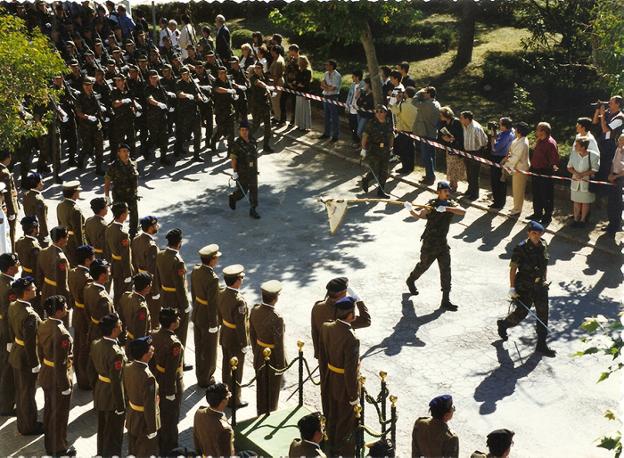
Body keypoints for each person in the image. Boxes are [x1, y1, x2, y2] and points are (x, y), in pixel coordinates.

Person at [497, 221, 556, 357]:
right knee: (521, 313)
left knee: (543, 314)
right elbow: (513, 268)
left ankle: (541, 345)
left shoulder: (544, 244)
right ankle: (504, 324)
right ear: (528, 233)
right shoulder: (520, 248)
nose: (536, 236)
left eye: (539, 233)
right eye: (533, 233)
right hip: (525, 285)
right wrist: (512, 287)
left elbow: (544, 263)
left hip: (540, 286)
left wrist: (544, 279)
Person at [405, 181, 467, 311]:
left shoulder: (451, 204)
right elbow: (420, 216)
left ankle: (446, 300)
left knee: (446, 271)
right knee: (423, 266)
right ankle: (411, 280)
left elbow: (463, 211)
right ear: (438, 192)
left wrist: (447, 208)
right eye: (445, 191)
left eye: (448, 191)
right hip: (429, 243)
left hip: (442, 244)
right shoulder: (431, 205)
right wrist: (410, 210)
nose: (447, 193)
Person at [318, 296, 361, 457]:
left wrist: (324, 378)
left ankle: (331, 445)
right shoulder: (352, 338)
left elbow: (323, 356)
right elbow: (350, 371)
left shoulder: (326, 327)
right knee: (345, 420)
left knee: (332, 414)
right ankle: (342, 451)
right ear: (349, 315)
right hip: (344, 384)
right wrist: (353, 395)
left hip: (330, 378)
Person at [37, 295, 74, 457]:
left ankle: (49, 444)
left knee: (49, 412)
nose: (67, 308)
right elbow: (61, 362)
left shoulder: (44, 324)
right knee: (59, 414)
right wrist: (65, 385)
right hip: (58, 378)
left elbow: (39, 350)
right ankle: (59, 447)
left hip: (46, 372)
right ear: (58, 311)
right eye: (65, 306)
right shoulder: (62, 333)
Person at [8, 276, 43, 436]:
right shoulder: (29, 315)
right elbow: (30, 343)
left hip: (16, 352)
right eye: (32, 287)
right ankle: (29, 426)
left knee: (21, 391)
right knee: (27, 393)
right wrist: (35, 363)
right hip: (25, 358)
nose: (35, 288)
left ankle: (23, 423)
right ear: (26, 292)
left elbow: (10, 326)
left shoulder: (13, 305)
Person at [88, 313, 127, 457]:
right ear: (114, 329)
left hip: (101, 390)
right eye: (119, 324)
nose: (122, 325)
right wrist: (120, 405)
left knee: (103, 429)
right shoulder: (115, 352)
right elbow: (116, 382)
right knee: (114, 433)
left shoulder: (96, 343)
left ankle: (101, 453)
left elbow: (90, 370)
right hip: (112, 396)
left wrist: (96, 387)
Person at [155, 228, 191, 368]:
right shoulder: (178, 261)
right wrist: (185, 305)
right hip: (177, 300)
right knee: (180, 332)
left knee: (167, 329)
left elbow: (157, 276)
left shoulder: (161, 254)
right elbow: (180, 286)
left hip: (165, 296)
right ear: (179, 243)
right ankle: (179, 362)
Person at [249, 280, 286, 416]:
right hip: (273, 358)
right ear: (275, 298)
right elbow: (279, 344)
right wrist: (281, 366)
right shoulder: (277, 317)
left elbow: (251, 333)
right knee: (272, 390)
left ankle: (260, 412)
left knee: (261, 387)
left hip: (259, 353)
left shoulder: (255, 310)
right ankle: (270, 414)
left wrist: (256, 351)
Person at [311, 276, 371, 359]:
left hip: (323, 355)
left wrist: (318, 353)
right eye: (345, 292)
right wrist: (359, 300)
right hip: (340, 359)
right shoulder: (342, 312)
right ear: (341, 293)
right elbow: (366, 321)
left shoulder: (317, 306)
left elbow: (314, 331)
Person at [150, 307, 184, 454]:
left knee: (161, 413)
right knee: (171, 417)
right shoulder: (174, 344)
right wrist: (171, 391)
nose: (179, 320)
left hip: (158, 377)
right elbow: (171, 370)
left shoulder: (155, 334)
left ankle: (161, 442)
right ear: (171, 323)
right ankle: (170, 447)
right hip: (170, 384)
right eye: (177, 318)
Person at [217, 264, 250, 408]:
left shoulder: (222, 293)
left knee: (226, 367)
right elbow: (241, 325)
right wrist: (244, 344)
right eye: (241, 279)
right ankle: (235, 399)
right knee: (237, 370)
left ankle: (225, 394)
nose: (242, 281)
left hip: (225, 334)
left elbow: (219, 313)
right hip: (236, 339)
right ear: (236, 281)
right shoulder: (239, 300)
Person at [191, 244, 222, 387]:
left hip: (197, 312)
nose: (217, 260)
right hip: (207, 318)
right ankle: (206, 378)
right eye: (216, 258)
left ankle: (199, 375)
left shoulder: (196, 270)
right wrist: (213, 324)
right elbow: (213, 304)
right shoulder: (213, 279)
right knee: (209, 350)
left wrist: (195, 308)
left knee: (199, 347)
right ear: (211, 260)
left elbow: (193, 293)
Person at [123, 336, 160, 458]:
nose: (153, 348)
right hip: (144, 422)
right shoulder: (148, 377)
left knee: (133, 450)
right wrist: (152, 429)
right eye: (150, 348)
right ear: (145, 355)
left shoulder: (128, 367)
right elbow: (149, 406)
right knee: (145, 452)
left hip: (132, 416)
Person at [68, 245, 94, 390]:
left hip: (77, 312)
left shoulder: (72, 272)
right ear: (87, 260)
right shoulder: (87, 278)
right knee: (85, 348)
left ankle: (80, 375)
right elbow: (88, 301)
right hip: (84, 315)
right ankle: (84, 380)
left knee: (78, 346)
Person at [131, 215, 162, 330]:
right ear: (149, 228)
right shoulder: (151, 245)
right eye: (154, 225)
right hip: (149, 284)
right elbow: (152, 270)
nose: (156, 227)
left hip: (140, 280)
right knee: (153, 315)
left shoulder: (136, 239)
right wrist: (155, 290)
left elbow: (133, 261)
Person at [527, 122, 559, 227]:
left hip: (545, 172)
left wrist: (547, 169)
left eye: (538, 129)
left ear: (543, 131)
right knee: (536, 194)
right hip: (536, 171)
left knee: (546, 195)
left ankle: (547, 216)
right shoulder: (539, 141)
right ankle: (537, 213)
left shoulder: (550, 143)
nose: (536, 131)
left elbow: (554, 159)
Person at [105, 143, 140, 239]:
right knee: (119, 215)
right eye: (124, 151)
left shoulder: (133, 163)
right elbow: (107, 181)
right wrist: (107, 196)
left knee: (134, 214)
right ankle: (117, 232)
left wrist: (136, 191)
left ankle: (133, 233)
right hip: (119, 194)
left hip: (131, 194)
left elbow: (135, 178)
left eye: (127, 151)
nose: (126, 153)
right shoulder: (113, 166)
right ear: (118, 153)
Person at [360, 105, 394, 198]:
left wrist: (391, 147)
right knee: (375, 170)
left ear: (385, 113)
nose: (379, 113)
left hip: (385, 149)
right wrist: (363, 148)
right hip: (373, 149)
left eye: (381, 111)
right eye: (377, 111)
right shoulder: (371, 123)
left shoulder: (389, 122)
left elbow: (391, 135)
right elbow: (365, 136)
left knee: (384, 172)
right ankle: (366, 180)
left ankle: (381, 191)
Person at [229, 120, 261, 219]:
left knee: (254, 190)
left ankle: (253, 209)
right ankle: (233, 197)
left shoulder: (253, 140)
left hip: (252, 170)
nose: (244, 132)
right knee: (242, 191)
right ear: (239, 131)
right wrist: (234, 172)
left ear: (248, 131)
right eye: (242, 130)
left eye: (246, 130)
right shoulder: (236, 144)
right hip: (242, 172)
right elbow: (233, 159)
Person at [0, 253, 19, 416]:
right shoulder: (9, 289)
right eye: (17, 263)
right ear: (11, 268)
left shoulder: (3, 282)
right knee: (7, 370)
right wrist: (9, 339)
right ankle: (5, 406)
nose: (19, 265)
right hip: (5, 333)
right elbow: (7, 316)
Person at [193, 383, 235, 457]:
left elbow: (196, 438)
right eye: (228, 394)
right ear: (223, 401)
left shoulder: (199, 412)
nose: (230, 395)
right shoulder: (225, 429)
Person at [36, 226, 70, 316]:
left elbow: (39, 275)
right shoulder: (61, 259)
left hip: (46, 290)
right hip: (58, 294)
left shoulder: (43, 251)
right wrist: (69, 300)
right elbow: (63, 284)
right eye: (66, 237)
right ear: (61, 239)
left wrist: (41, 289)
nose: (67, 239)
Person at [74, 76, 105, 175]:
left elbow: (99, 106)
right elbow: (79, 113)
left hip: (96, 124)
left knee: (99, 146)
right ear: (83, 86)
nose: (88, 87)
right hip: (85, 126)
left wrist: (103, 113)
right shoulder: (79, 97)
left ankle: (99, 167)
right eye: (86, 85)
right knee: (87, 147)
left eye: (90, 85)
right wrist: (88, 117)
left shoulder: (95, 95)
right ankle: (80, 159)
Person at [567, 137, 600, 227]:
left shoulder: (593, 155)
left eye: (576, 145)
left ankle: (582, 220)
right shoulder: (573, 154)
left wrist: (583, 174)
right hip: (575, 181)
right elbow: (569, 167)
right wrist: (576, 173)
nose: (574, 147)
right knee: (576, 201)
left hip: (586, 182)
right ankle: (576, 219)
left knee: (585, 202)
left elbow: (595, 169)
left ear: (583, 147)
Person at [411, 87, 441, 185]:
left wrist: (419, 92)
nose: (424, 94)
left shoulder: (426, 105)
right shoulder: (436, 103)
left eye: (425, 93)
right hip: (432, 133)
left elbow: (414, 101)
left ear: (428, 94)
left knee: (426, 157)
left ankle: (430, 177)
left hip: (426, 133)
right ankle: (431, 174)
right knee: (431, 156)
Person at [105, 202, 133, 304]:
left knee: (117, 291)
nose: (128, 213)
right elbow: (125, 256)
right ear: (122, 215)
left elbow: (108, 249)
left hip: (114, 265)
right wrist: (128, 274)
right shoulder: (123, 233)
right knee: (125, 294)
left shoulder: (109, 228)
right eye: (127, 212)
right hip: (122, 269)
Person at [593, 96, 624, 189]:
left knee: (606, 167)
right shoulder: (608, 113)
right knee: (598, 166)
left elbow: (606, 129)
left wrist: (602, 116)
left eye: (611, 102)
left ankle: (604, 190)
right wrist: (598, 110)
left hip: (610, 145)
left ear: (617, 104)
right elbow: (594, 122)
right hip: (601, 142)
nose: (609, 104)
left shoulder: (620, 117)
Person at [501, 122, 530, 217]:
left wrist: (505, 164)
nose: (515, 130)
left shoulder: (523, 143)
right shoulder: (520, 139)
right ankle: (516, 207)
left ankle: (517, 209)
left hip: (520, 168)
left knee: (518, 189)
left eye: (516, 129)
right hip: (517, 168)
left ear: (519, 131)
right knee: (516, 189)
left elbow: (515, 157)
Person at [144, 69, 173, 166]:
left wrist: (169, 106)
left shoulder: (161, 88)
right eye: (152, 78)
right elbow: (149, 99)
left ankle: (163, 157)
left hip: (162, 116)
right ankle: (146, 150)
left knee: (164, 137)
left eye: (155, 77)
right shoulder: (148, 89)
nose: (154, 79)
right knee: (153, 137)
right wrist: (158, 104)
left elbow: (166, 98)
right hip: (153, 118)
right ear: (149, 79)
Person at [85, 259, 115, 346]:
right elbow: (108, 322)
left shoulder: (88, 288)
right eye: (108, 271)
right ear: (102, 276)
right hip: (101, 335)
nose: (109, 273)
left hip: (92, 328)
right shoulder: (103, 298)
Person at [459, 111, 488, 201]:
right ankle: (470, 189)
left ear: (467, 119)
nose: (460, 119)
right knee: (469, 173)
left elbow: (483, 142)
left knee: (474, 174)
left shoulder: (476, 128)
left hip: (476, 153)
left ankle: (475, 194)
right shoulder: (464, 125)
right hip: (467, 152)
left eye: (462, 118)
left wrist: (479, 153)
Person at [56, 180, 86, 267]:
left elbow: (60, 225)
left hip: (65, 241)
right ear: (74, 193)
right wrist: (82, 249)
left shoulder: (60, 205)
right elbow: (78, 231)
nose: (79, 193)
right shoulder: (75, 209)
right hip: (75, 243)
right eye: (78, 191)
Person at [390, 87, 418, 174]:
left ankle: (405, 168)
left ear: (406, 94)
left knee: (403, 150)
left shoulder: (402, 105)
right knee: (411, 149)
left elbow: (394, 110)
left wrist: (398, 100)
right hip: (413, 130)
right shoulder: (417, 104)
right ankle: (411, 167)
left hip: (403, 130)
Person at [437, 106, 464, 192]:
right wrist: (444, 138)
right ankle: (451, 183)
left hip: (456, 148)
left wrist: (452, 139)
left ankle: (455, 185)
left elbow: (460, 136)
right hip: (448, 148)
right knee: (450, 166)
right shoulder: (444, 123)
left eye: (441, 115)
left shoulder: (456, 122)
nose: (440, 116)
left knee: (455, 167)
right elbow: (442, 133)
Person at [248, 62, 274, 154]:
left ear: (262, 68)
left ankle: (266, 146)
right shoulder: (253, 77)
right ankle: (246, 139)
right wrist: (267, 86)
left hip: (265, 105)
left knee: (268, 126)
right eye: (256, 68)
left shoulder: (265, 77)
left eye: (259, 68)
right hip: (257, 105)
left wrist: (272, 106)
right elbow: (259, 83)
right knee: (256, 125)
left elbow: (267, 90)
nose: (257, 69)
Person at [490, 117, 515, 209]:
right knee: (501, 181)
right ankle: (498, 200)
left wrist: (492, 138)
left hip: (499, 159)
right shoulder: (509, 132)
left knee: (497, 181)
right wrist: (494, 132)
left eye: (500, 124)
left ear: (505, 126)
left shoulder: (505, 135)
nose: (498, 125)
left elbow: (495, 148)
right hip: (502, 158)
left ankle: (498, 203)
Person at [119, 272, 152, 342]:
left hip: (128, 338)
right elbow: (140, 332)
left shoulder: (126, 296)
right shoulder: (142, 308)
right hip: (136, 344)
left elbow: (121, 319)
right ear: (147, 287)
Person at [15, 217, 42, 292]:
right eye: (38, 227)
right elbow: (37, 267)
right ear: (34, 229)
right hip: (33, 278)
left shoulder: (20, 241)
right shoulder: (35, 247)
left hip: (24, 273)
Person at [22, 172, 49, 247]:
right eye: (41, 181)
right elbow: (42, 219)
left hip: (28, 229)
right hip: (38, 233)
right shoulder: (38, 199)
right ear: (37, 184)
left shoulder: (26, 195)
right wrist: (46, 234)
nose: (43, 183)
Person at [0, 150, 20, 251]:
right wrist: (11, 212)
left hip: (2, 205)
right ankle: (11, 253)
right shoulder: (4, 172)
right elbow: (8, 194)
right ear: (7, 158)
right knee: (10, 232)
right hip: (7, 207)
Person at [606, 134, 624, 235]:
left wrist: (615, 177)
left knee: (617, 203)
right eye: (619, 140)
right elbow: (613, 163)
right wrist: (611, 174)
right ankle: (610, 223)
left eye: (621, 141)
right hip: (614, 176)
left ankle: (615, 226)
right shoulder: (617, 150)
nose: (619, 142)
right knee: (611, 202)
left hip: (620, 178)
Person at [320, 59, 341, 142]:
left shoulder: (337, 75)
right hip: (325, 96)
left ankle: (335, 135)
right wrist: (327, 87)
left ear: (332, 66)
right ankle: (326, 133)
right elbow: (322, 84)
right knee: (326, 116)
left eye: (327, 65)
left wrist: (327, 87)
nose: (326, 66)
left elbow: (333, 88)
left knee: (334, 117)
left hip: (333, 97)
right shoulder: (326, 74)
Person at [294, 55, 312, 131]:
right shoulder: (298, 70)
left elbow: (306, 82)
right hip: (298, 92)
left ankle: (304, 126)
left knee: (304, 109)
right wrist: (298, 83)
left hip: (305, 92)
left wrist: (300, 84)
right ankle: (299, 124)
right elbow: (296, 80)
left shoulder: (308, 71)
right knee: (299, 108)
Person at [346, 70, 364, 145]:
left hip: (358, 110)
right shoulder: (352, 85)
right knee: (352, 126)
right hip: (351, 108)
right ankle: (354, 140)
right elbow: (349, 96)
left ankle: (358, 142)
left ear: (357, 77)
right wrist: (347, 106)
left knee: (357, 127)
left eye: (353, 76)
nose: (352, 78)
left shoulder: (363, 85)